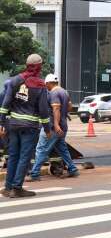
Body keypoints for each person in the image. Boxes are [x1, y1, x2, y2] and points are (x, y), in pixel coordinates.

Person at [0, 54, 51, 198]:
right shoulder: (40, 84)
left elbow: (6, 103)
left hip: (13, 124)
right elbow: (43, 110)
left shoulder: (15, 80)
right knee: (24, 157)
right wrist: (47, 129)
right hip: (29, 127)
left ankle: (8, 187)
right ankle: (17, 188)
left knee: (13, 156)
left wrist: (1, 123)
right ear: (39, 66)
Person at [27, 74, 79, 181]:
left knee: (41, 149)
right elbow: (69, 106)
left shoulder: (54, 93)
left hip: (53, 127)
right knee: (62, 149)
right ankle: (73, 169)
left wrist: (55, 124)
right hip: (63, 126)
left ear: (49, 83)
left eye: (46, 85)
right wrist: (63, 114)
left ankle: (35, 174)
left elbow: (56, 109)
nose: (46, 87)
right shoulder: (64, 91)